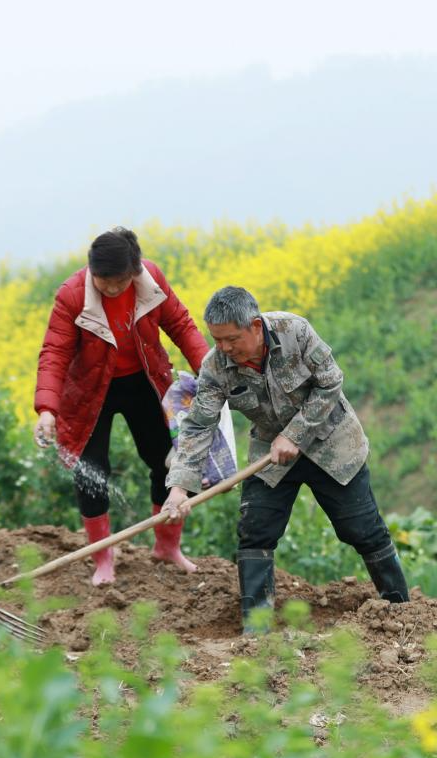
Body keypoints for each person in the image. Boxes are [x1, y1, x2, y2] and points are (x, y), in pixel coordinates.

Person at [164, 285, 409, 628]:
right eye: (217, 339)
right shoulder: (217, 365)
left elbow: (330, 383)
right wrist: (179, 487)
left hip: (332, 443)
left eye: (231, 339)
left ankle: (401, 611)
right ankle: (257, 628)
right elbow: (198, 427)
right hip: (271, 455)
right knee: (256, 531)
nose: (224, 348)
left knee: (362, 529)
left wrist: (294, 434)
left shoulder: (295, 331)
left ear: (254, 325)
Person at [34, 227, 209, 585]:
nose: (112, 289)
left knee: (167, 460)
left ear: (135, 270)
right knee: (91, 472)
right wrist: (47, 410)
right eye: (103, 281)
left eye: (120, 282)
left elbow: (180, 324)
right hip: (89, 390)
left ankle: (167, 547)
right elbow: (55, 352)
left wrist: (209, 369)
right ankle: (103, 559)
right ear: (91, 271)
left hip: (143, 381)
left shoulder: (152, 280)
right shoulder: (72, 295)